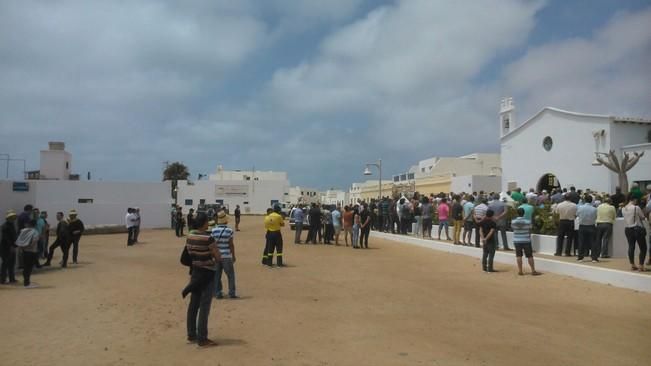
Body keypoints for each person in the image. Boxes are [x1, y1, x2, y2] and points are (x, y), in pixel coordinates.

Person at [184, 212, 221, 347]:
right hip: (207, 273)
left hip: (195, 272)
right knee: (204, 306)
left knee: (193, 304)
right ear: (204, 223)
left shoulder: (190, 235)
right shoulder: (208, 238)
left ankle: (191, 333)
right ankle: (202, 338)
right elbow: (217, 257)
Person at [212, 211, 237, 299]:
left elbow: (213, 244)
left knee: (217, 276)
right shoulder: (229, 231)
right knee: (230, 275)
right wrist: (233, 255)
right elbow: (231, 245)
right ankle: (232, 292)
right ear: (225, 220)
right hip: (226, 256)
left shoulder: (213, 230)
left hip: (217, 256)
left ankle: (218, 292)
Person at [511, 208, 540, 276]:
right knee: (530, 256)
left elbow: (513, 229)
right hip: (526, 240)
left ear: (517, 213)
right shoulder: (528, 221)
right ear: (523, 213)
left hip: (517, 240)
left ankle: (520, 271)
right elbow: (530, 230)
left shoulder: (513, 221)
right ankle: (533, 271)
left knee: (518, 256)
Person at [622, 197, 647, 271]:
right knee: (643, 248)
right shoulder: (636, 207)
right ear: (634, 200)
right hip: (637, 228)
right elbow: (642, 217)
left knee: (631, 246)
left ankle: (632, 264)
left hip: (628, 229)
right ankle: (641, 265)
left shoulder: (623, 208)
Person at [15, 219, 40, 288]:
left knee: (25, 267)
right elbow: (34, 241)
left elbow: (19, 240)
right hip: (32, 252)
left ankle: (26, 282)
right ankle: (27, 283)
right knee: (29, 268)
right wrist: (29, 246)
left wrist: (23, 247)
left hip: (24, 251)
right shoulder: (35, 232)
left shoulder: (23, 231)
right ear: (35, 225)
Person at [576, 195, 598, 262]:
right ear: (591, 201)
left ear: (584, 200)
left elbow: (577, 215)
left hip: (582, 226)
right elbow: (596, 217)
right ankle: (594, 258)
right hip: (591, 226)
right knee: (593, 242)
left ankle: (580, 257)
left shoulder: (580, 207)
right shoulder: (594, 209)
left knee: (581, 242)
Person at [1, 210, 18, 284]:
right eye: (11, 217)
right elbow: (6, 238)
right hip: (5, 248)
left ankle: (12, 278)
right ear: (8, 218)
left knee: (12, 263)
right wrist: (11, 246)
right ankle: (2, 280)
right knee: (5, 264)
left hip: (12, 247)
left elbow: (14, 237)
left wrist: (15, 245)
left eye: (13, 217)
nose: (13, 219)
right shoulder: (5, 226)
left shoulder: (12, 225)